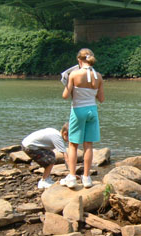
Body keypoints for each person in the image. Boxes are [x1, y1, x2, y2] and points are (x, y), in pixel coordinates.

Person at [60, 48, 104, 189]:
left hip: (78, 110)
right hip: (92, 110)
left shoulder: (74, 74)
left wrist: (67, 83)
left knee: (73, 144)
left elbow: (65, 95)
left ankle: (72, 177)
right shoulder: (98, 76)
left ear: (79, 60)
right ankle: (86, 178)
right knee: (88, 144)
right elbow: (101, 99)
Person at [22, 123, 69, 189]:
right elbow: (66, 157)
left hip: (27, 143)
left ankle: (46, 177)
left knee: (51, 154)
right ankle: (43, 181)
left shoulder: (55, 132)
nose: (70, 140)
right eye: (70, 137)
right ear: (65, 133)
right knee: (51, 160)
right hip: (29, 147)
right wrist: (72, 173)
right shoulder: (58, 138)